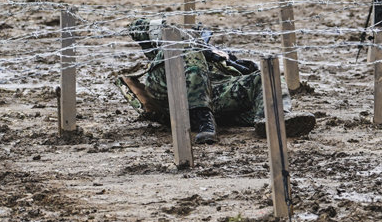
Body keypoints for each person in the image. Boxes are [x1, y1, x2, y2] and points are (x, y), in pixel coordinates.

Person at [118, 18, 316, 143]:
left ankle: (273, 119)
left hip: (214, 96)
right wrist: (179, 37)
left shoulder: (210, 55)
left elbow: (242, 79)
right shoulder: (171, 49)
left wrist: (231, 62)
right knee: (188, 48)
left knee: (264, 78)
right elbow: (136, 26)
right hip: (173, 93)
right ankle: (203, 120)